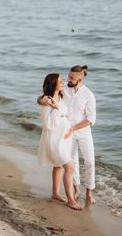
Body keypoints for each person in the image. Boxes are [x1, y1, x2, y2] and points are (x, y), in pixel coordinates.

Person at [38, 65, 96, 204]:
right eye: (68, 76)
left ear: (80, 78)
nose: (68, 80)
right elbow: (48, 96)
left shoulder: (88, 95)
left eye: (71, 78)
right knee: (72, 161)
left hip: (82, 132)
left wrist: (73, 128)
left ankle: (89, 192)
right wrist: (41, 100)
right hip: (65, 133)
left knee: (89, 162)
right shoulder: (66, 90)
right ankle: (76, 190)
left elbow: (91, 119)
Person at [37, 73, 83, 210]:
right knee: (69, 167)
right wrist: (55, 108)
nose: (63, 83)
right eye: (60, 81)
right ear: (53, 84)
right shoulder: (47, 101)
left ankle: (55, 193)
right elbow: (47, 125)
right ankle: (70, 200)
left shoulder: (60, 95)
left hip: (63, 139)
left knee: (58, 166)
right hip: (53, 139)